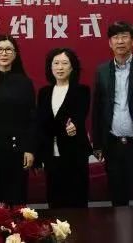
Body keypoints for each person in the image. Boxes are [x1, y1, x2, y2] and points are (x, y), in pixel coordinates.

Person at [92, 21, 133, 207]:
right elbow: (97, 108)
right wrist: (97, 144)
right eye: (115, 37)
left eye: (124, 37)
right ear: (110, 43)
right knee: (117, 199)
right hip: (113, 145)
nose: (120, 41)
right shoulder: (102, 70)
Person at [0, 34, 36, 205]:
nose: (4, 53)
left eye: (8, 49)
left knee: (17, 201)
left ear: (15, 54)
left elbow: (32, 118)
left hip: (18, 149)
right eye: (0, 49)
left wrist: (30, 149)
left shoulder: (25, 83)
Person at [36, 48, 92, 208]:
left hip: (75, 154)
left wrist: (74, 125)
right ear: (50, 67)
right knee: (54, 202)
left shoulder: (82, 91)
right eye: (56, 63)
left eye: (65, 63)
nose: (60, 67)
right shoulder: (44, 93)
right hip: (51, 155)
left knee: (77, 202)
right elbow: (41, 124)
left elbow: (79, 115)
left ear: (72, 67)